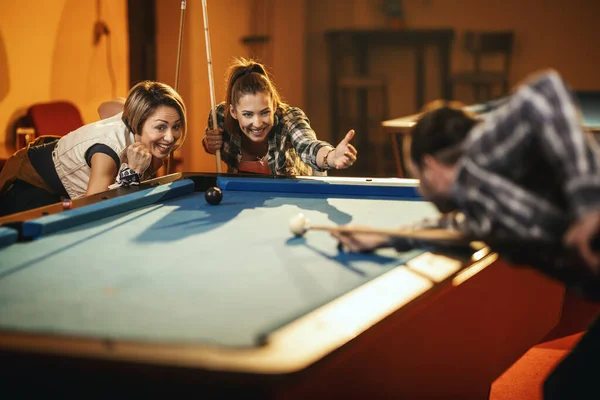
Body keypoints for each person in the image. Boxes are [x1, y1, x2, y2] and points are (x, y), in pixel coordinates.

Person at [331, 69, 600, 399]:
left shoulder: (480, 155)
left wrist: (589, 204)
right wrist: (384, 237)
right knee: (566, 387)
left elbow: (544, 90)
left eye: (416, 175)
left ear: (429, 165)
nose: (421, 189)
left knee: (568, 388)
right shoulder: (481, 205)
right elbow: (459, 227)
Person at [0, 81, 187, 216]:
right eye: (160, 127)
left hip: (60, 174)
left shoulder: (131, 115)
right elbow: (92, 212)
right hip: (28, 180)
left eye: (176, 126)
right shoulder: (107, 152)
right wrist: (134, 171)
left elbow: (104, 107)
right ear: (137, 122)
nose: (170, 137)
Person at [203, 58, 357, 175]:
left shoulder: (289, 119)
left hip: (296, 198)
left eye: (265, 112)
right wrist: (209, 145)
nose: (257, 123)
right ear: (233, 112)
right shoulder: (219, 118)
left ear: (274, 106)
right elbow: (212, 143)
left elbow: (308, 145)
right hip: (244, 200)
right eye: (248, 114)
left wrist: (331, 156)